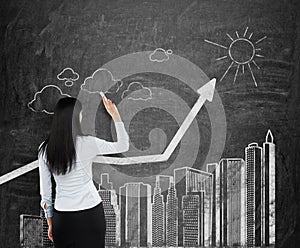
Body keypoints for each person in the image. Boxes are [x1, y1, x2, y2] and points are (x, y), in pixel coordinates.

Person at [38, 96, 129, 248]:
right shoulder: (89, 143)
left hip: (63, 218)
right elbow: (123, 145)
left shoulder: (45, 150)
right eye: (80, 113)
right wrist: (115, 115)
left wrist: (51, 223)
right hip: (91, 215)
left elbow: (46, 195)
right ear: (75, 117)